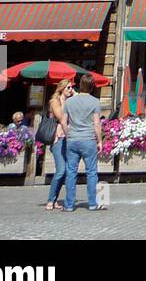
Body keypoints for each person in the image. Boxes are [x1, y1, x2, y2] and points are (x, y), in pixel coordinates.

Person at [62, 73, 104, 212]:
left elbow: (63, 121)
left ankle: (69, 205)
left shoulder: (69, 102)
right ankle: (92, 203)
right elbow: (97, 124)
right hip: (88, 140)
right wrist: (100, 141)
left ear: (79, 85)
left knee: (71, 172)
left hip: (73, 139)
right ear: (92, 87)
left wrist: (69, 135)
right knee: (91, 172)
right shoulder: (95, 102)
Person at [43, 79, 72, 211]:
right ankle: (50, 200)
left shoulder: (70, 101)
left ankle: (54, 200)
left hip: (68, 138)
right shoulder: (55, 102)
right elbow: (61, 117)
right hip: (57, 138)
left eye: (71, 88)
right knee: (61, 170)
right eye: (68, 88)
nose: (71, 90)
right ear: (61, 89)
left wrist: (75, 95)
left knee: (65, 171)